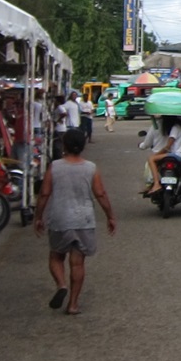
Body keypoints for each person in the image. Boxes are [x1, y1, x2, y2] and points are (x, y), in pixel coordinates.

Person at [33, 128, 116, 316]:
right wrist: (110, 215)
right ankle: (73, 304)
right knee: (77, 263)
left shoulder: (54, 167)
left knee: (56, 257)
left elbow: (44, 193)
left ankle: (61, 284)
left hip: (60, 218)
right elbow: (100, 194)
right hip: (84, 220)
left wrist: (38, 217)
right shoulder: (91, 168)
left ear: (64, 145)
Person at [141, 115, 181, 198]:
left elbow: (167, 147)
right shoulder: (180, 127)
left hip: (178, 155)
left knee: (151, 159)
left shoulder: (174, 128)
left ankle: (156, 184)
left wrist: (156, 155)